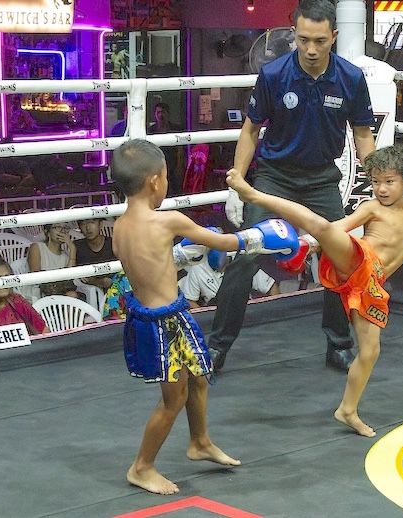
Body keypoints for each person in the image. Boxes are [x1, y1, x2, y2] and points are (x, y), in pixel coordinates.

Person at [226, 144, 403, 437]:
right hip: (358, 259)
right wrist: (306, 247)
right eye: (376, 182)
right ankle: (255, 195)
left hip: (371, 285)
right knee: (321, 226)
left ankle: (347, 410)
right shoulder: (371, 208)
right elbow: (337, 228)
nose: (380, 189)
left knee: (369, 353)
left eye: (388, 182)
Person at [110, 139, 299, 494]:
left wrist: (179, 257)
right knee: (173, 399)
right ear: (154, 181)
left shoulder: (120, 228)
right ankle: (141, 466)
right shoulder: (168, 221)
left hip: (158, 315)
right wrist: (261, 236)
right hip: (161, 322)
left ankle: (199, 442)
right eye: (166, 176)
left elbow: (144, 267)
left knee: (200, 375)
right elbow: (227, 245)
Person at [210, 0, 376, 373]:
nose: (311, 49)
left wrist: (380, 179)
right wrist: (238, 185)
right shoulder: (274, 75)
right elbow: (250, 130)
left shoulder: (350, 78)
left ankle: (338, 344)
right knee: (247, 256)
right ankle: (217, 347)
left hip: (321, 180)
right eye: (303, 40)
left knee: (341, 256)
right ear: (294, 36)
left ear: (333, 36)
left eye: (319, 40)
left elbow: (363, 135)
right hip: (274, 178)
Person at [180, 252, 279, 309]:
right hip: (215, 314)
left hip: (243, 311)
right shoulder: (198, 269)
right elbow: (190, 300)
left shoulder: (243, 264)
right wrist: (206, 317)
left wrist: (275, 310)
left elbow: (271, 287)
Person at [27, 222, 78, 298]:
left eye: (65, 228)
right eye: (58, 227)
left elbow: (70, 278)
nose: (62, 231)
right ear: (47, 232)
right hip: (39, 293)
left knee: (72, 295)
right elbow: (36, 275)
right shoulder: (37, 247)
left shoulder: (66, 256)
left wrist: (73, 248)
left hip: (63, 295)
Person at [147, 102, 184, 197]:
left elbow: (180, 150)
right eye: (158, 112)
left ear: (168, 113)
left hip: (172, 163)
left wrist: (179, 166)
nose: (160, 115)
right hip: (156, 165)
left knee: (174, 191)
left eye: (163, 112)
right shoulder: (151, 130)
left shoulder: (175, 129)